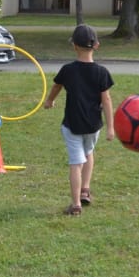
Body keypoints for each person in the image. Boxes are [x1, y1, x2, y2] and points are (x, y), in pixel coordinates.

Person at [43, 24, 115, 216]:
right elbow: (106, 100)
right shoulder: (102, 72)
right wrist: (110, 128)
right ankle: (85, 189)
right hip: (93, 126)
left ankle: (76, 204)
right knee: (88, 152)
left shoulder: (68, 70)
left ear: (74, 46)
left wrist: (49, 100)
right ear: (97, 45)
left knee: (76, 162)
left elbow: (57, 86)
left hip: (72, 125)